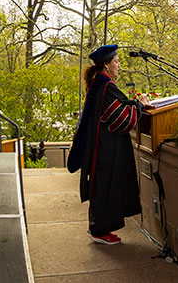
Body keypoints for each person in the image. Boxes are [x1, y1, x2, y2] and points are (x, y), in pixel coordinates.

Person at [68, 45, 149, 245]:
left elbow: (117, 107)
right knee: (105, 187)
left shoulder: (99, 84)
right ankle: (99, 230)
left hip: (101, 144)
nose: (119, 65)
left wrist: (134, 103)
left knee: (104, 186)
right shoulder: (106, 86)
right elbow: (121, 118)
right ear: (106, 65)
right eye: (116, 61)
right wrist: (140, 105)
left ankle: (100, 228)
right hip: (105, 147)